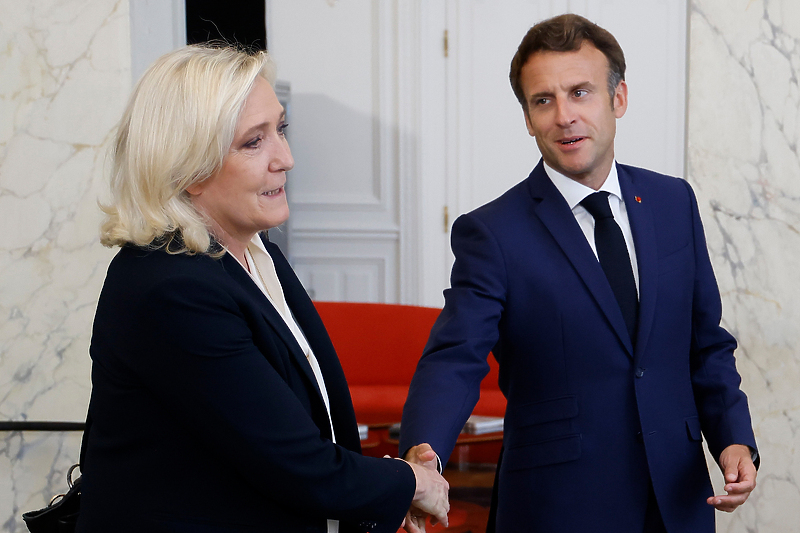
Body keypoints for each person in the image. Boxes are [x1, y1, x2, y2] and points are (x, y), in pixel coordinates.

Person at [399, 13, 758, 533]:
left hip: (678, 497)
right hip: (559, 504)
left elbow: (704, 342)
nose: (564, 116)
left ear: (618, 99)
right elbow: (456, 357)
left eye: (581, 92)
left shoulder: (671, 202)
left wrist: (733, 438)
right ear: (527, 117)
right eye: (543, 100)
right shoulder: (492, 232)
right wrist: (421, 456)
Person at [76, 44, 449, 533]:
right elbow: (294, 463)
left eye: (281, 129)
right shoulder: (170, 286)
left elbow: (299, 430)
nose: (286, 158)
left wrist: (385, 479)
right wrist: (410, 483)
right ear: (189, 168)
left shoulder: (256, 253)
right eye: (254, 142)